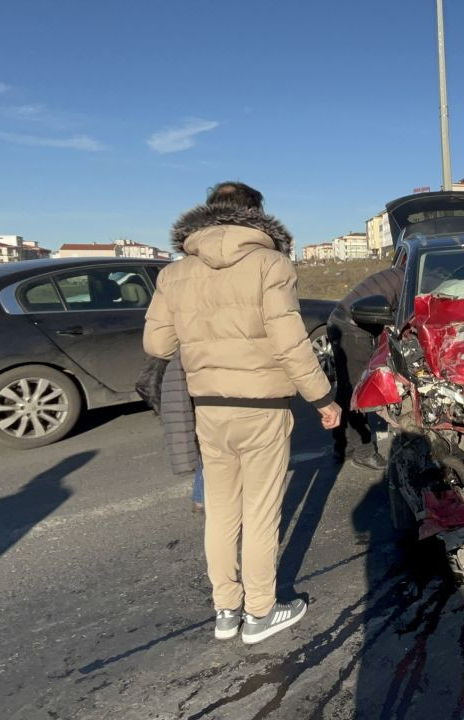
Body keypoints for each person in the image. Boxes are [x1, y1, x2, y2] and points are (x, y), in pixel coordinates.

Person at [144, 181, 341, 644]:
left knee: (221, 511)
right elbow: (290, 344)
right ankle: (260, 612)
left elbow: (157, 344)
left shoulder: (176, 273)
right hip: (262, 407)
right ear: (256, 215)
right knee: (261, 510)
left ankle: (225, 610)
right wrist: (323, 399)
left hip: (208, 407)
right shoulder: (271, 264)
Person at [328, 261, 404, 470]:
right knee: (356, 393)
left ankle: (343, 447)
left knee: (345, 389)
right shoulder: (409, 280)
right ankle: (364, 452)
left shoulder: (401, 273)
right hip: (350, 328)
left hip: (340, 320)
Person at [160, 355, 205, 512]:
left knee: (208, 446)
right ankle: (201, 496)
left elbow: (158, 346)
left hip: (188, 376)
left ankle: (200, 497)